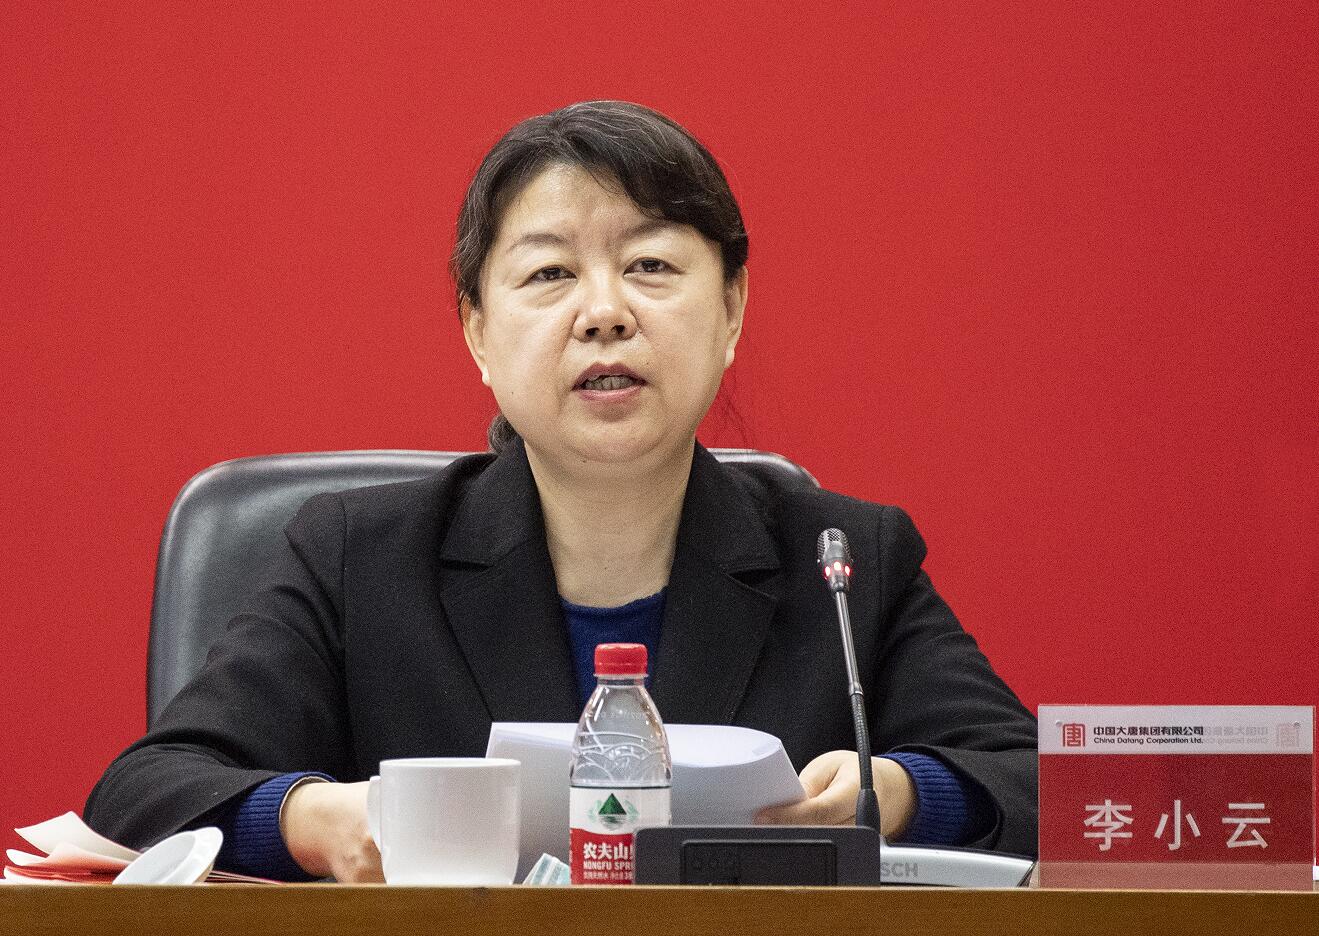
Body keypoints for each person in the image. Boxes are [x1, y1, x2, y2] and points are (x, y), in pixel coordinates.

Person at [85, 101, 1037, 882]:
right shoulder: (358, 558)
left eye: (650, 266)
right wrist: (312, 820)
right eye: (549, 273)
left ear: (731, 308)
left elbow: (1046, 788)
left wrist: (896, 792)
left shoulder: (844, 564)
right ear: (477, 332)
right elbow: (142, 791)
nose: (604, 313)